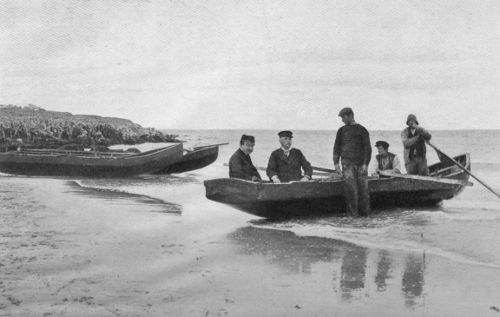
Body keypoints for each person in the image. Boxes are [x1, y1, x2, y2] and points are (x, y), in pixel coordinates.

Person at [333, 107, 371, 216]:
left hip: (361, 166)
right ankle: (353, 218)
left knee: (364, 191)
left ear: (350, 116)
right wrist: (336, 164)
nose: (342, 120)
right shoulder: (341, 131)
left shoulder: (362, 130)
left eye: (343, 118)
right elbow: (336, 148)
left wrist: (365, 164)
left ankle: (366, 217)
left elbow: (367, 149)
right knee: (351, 192)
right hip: (347, 165)